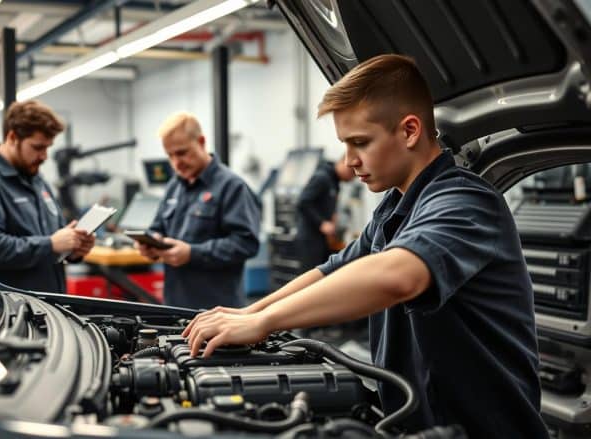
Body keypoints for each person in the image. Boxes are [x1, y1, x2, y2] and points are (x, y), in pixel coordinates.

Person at [182, 55, 547, 437]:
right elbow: (333, 269)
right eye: (345, 145)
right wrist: (249, 314)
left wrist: (265, 322)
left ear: (409, 131)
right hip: (419, 426)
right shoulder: (395, 207)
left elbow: (396, 277)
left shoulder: (466, 201)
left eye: (360, 142)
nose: (350, 161)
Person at [0, 100, 94, 294]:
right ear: (12, 137)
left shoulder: (36, 180)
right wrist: (51, 245)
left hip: (49, 306)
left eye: (48, 147)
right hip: (9, 311)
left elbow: (54, 237)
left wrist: (72, 250)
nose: (44, 156)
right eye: (38, 147)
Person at [136, 112, 260, 309]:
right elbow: (157, 226)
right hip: (174, 306)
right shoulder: (174, 185)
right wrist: (151, 243)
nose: (176, 162)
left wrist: (192, 253)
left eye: (182, 152)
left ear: (201, 142)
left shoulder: (231, 186)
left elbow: (246, 243)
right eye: (170, 155)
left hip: (217, 311)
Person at [295, 156, 354, 271]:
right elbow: (303, 202)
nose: (353, 176)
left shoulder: (335, 182)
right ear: (342, 163)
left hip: (322, 239)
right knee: (310, 278)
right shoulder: (322, 178)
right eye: (352, 172)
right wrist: (321, 223)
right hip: (310, 239)